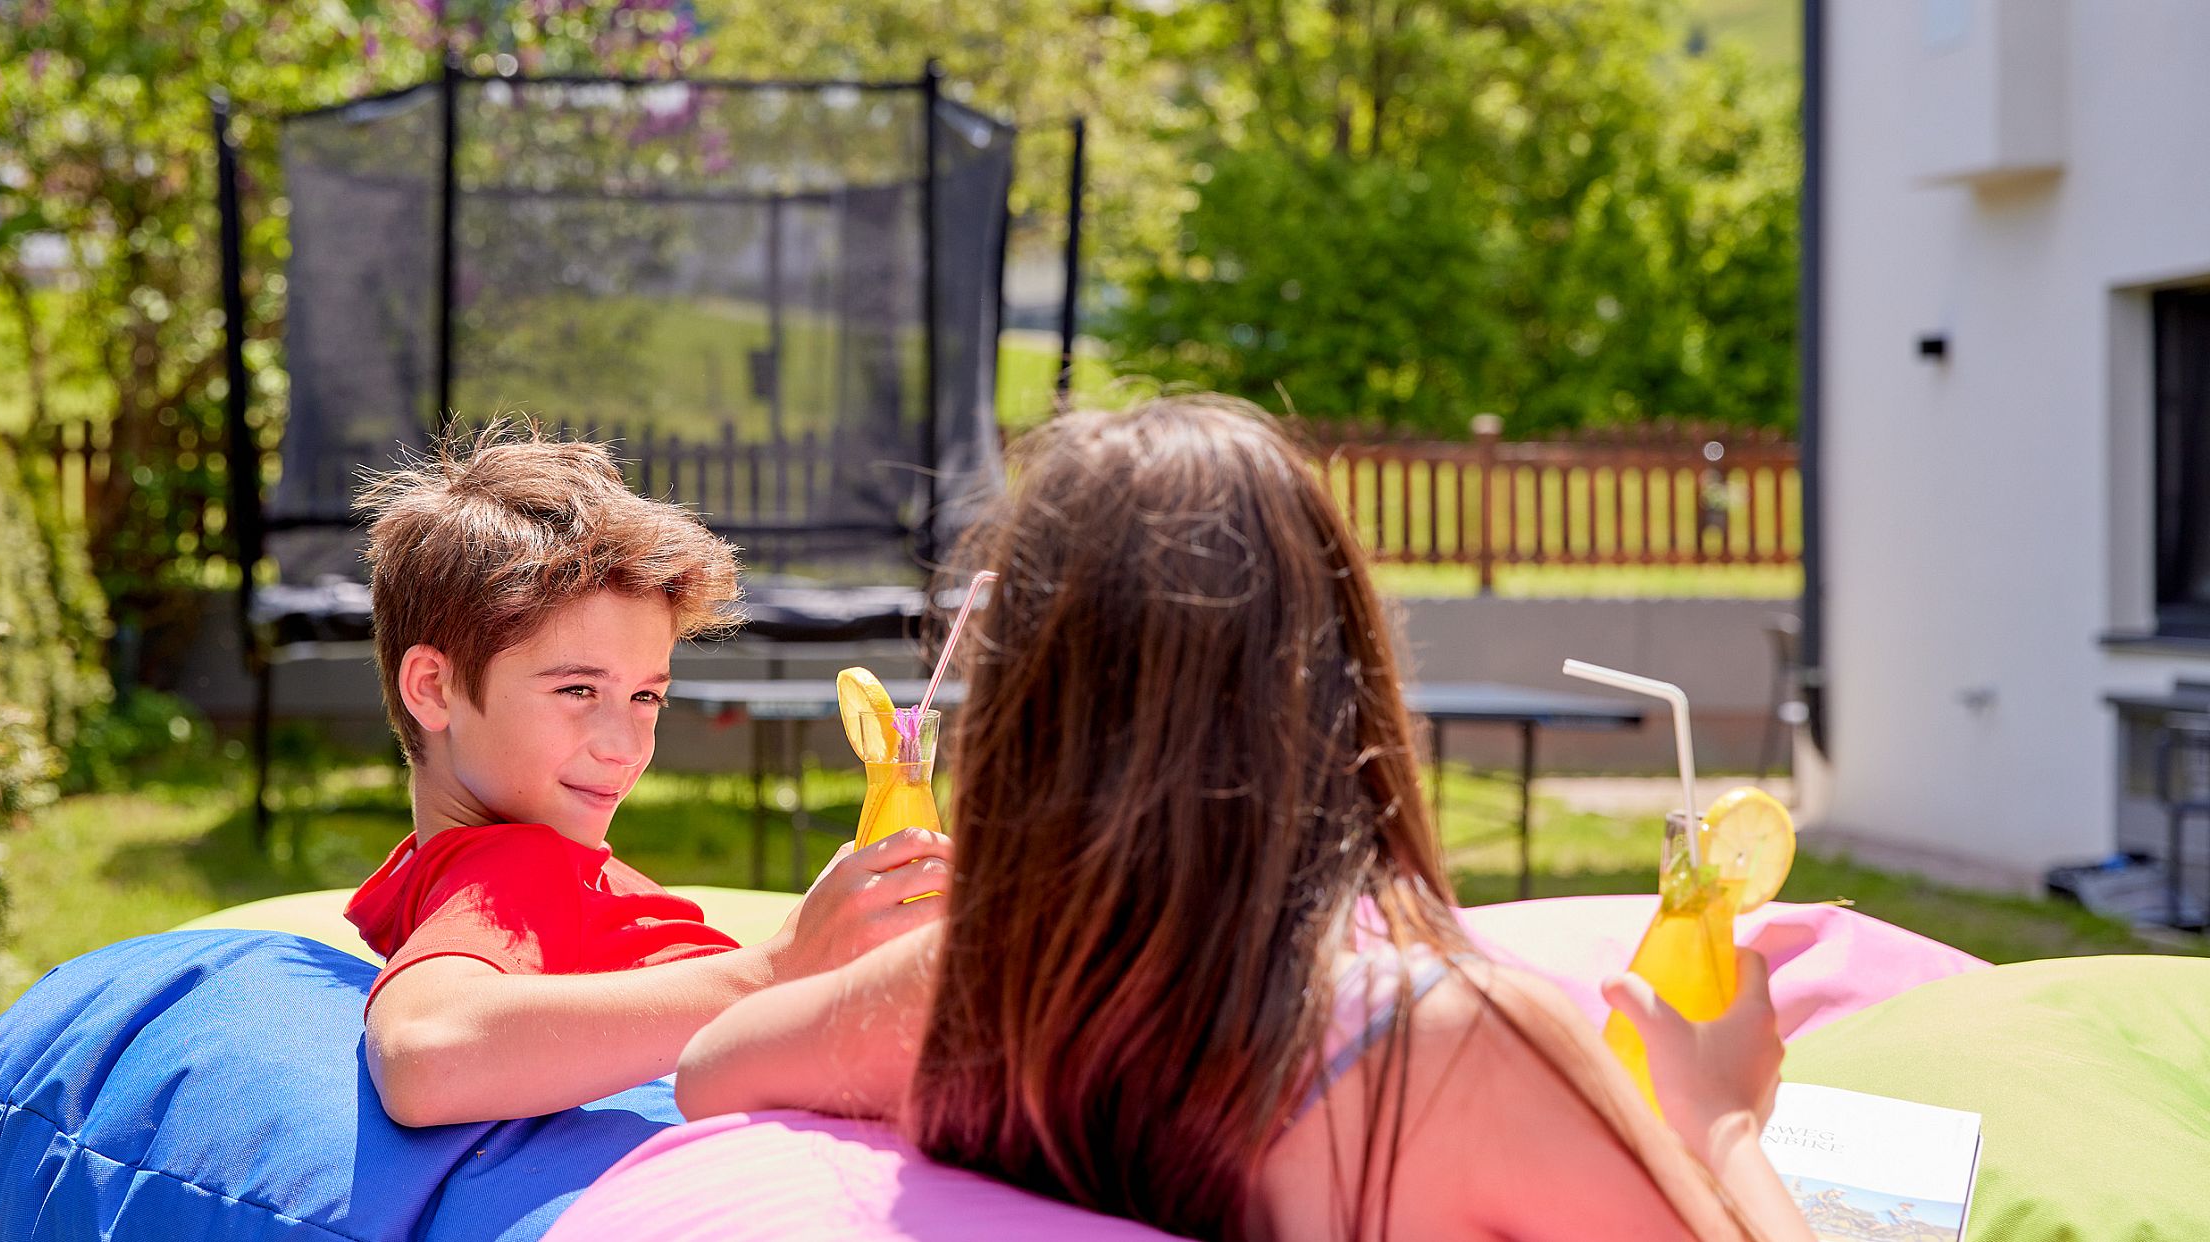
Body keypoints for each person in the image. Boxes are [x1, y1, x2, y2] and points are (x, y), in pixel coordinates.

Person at [671, 397, 1815, 1240]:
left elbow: (712, 1070)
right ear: (1334, 673)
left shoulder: (982, 997)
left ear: (1025, 710)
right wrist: (1719, 1122)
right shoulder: (1454, 1042)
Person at [347, 427, 950, 1125]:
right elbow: (425, 1056)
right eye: (578, 691)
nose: (625, 747)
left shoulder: (465, 868)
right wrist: (776, 971)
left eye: (645, 697)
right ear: (433, 687)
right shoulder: (513, 871)